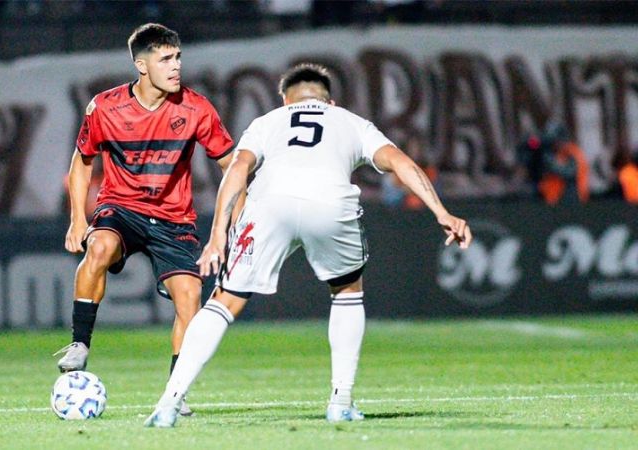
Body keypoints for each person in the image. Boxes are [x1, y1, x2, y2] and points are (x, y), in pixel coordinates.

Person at [144, 63, 472, 427]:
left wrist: (219, 233)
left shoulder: (267, 122)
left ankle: (168, 403)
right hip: (330, 203)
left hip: (270, 205)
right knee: (347, 290)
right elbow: (400, 162)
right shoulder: (352, 122)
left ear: (285, 101)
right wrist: (441, 212)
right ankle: (340, 402)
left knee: (224, 301)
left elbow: (237, 169)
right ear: (330, 102)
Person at [54, 23, 235, 416]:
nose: (176, 66)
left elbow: (231, 165)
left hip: (173, 219)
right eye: (165, 59)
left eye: (178, 57)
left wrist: (235, 218)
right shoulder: (105, 107)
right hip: (121, 208)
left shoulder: (196, 108)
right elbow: (82, 162)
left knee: (190, 296)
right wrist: (77, 219)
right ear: (141, 65)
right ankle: (80, 343)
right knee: (99, 247)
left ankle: (175, 392)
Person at [537, 121, 589, 205]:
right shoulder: (555, 154)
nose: (552, 145)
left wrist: (551, 164)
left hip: (572, 200)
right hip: (552, 201)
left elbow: (570, 173)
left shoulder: (573, 153)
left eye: (553, 141)